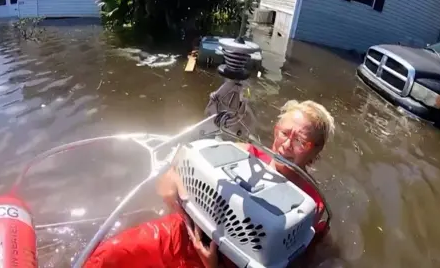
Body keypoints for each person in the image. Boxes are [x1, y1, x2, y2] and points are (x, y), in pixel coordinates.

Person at [83, 99, 334, 268]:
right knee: (108, 255)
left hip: (225, 264)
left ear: (315, 152)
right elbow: (170, 178)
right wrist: (172, 185)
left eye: (301, 141)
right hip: (181, 233)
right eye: (284, 133)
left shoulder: (312, 205)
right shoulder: (245, 151)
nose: (287, 145)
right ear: (276, 129)